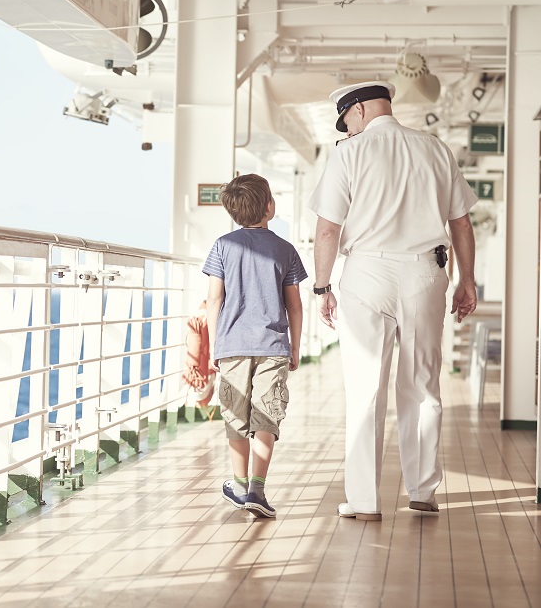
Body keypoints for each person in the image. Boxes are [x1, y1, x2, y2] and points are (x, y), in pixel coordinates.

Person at [308, 81, 478, 521]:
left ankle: (364, 501)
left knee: (365, 389)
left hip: (367, 272)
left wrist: (323, 288)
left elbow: (327, 230)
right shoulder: (435, 148)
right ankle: (422, 490)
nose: (347, 131)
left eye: (346, 122)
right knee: (422, 384)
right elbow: (461, 224)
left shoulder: (349, 153)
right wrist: (467, 280)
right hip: (426, 272)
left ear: (359, 110)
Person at [203, 173, 307, 518]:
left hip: (230, 345)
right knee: (267, 415)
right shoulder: (285, 249)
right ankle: (257, 491)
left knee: (235, 414)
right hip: (274, 345)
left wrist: (216, 345)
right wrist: (294, 347)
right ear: (269, 207)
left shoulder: (223, 245)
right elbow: (294, 304)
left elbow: (214, 299)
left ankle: (237, 484)